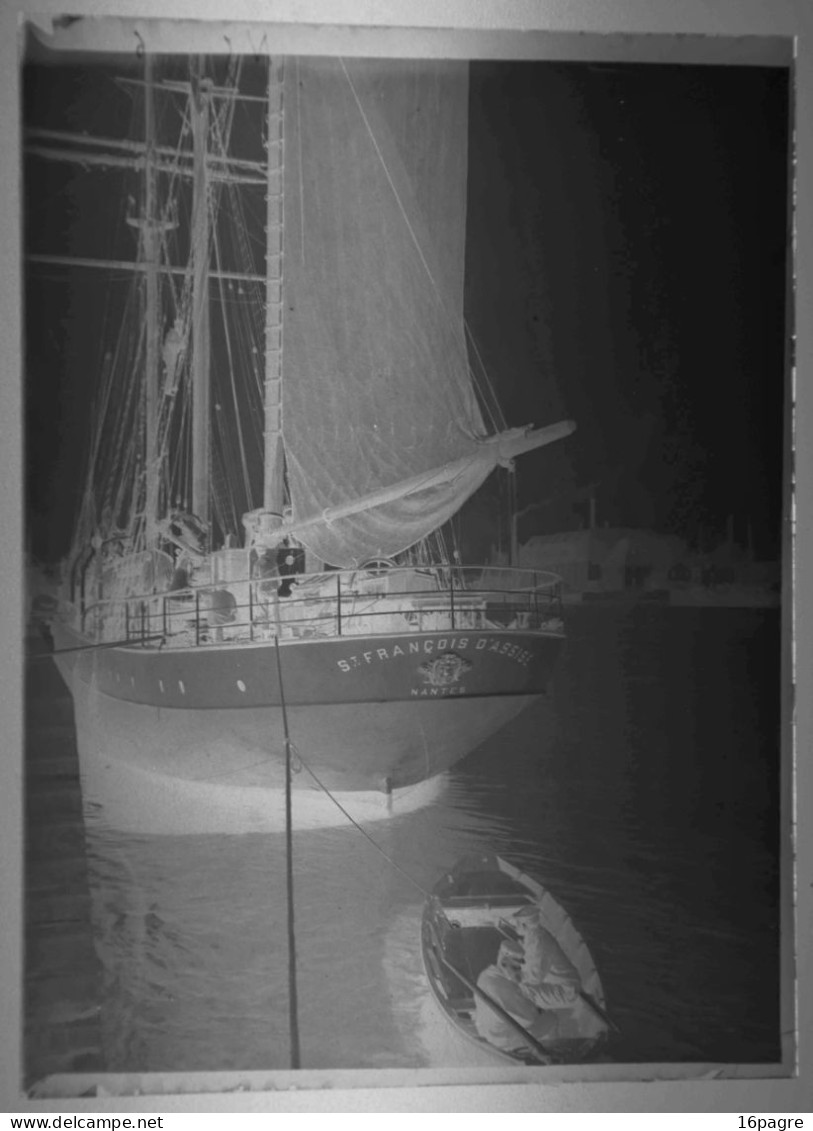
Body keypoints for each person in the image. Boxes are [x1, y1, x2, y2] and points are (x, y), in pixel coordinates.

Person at [473, 939, 558, 1053]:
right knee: (552, 1019)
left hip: (492, 1032)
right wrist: (539, 1009)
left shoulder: (487, 974)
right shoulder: (499, 986)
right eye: (515, 968)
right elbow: (528, 1018)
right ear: (503, 962)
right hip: (502, 1039)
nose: (518, 973)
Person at [509, 905, 581, 1010]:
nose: (515, 926)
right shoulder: (533, 936)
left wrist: (516, 978)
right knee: (519, 989)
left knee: (523, 994)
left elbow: (536, 977)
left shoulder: (539, 942)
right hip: (563, 984)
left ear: (524, 925)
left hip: (567, 991)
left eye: (517, 923)